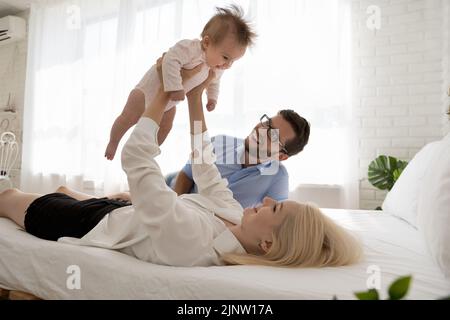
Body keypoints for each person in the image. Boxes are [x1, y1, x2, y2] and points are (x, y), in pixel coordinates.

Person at [0, 61, 362, 268]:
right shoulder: (235, 217)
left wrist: (161, 95)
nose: (264, 202)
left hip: (90, 223)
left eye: (275, 207)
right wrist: (193, 96)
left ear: (268, 244)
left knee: (9, 196)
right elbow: (203, 166)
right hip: (121, 211)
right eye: (265, 123)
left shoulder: (194, 238)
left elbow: (136, 158)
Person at [104, 4, 257, 160]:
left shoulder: (216, 67)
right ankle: (113, 142)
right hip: (146, 93)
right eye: (226, 57)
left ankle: (149, 153)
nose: (227, 65)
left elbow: (214, 83)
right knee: (127, 119)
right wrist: (175, 87)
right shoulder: (191, 48)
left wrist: (212, 99)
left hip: (169, 104)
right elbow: (169, 60)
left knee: (165, 127)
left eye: (233, 61)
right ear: (206, 43)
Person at [171, 110, 310, 208]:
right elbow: (186, 175)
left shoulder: (277, 178)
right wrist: (175, 208)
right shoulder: (219, 142)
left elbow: (274, 224)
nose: (261, 130)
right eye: (267, 123)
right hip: (174, 199)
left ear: (280, 156)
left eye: (273, 136)